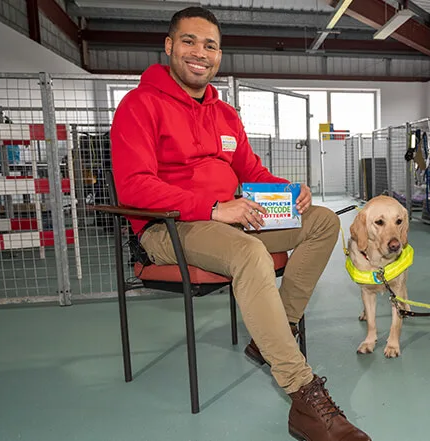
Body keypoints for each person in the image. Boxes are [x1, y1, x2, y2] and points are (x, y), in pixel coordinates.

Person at [110, 7, 371, 441]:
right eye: (190, 41)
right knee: (252, 253)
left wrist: (291, 190)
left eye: (210, 45)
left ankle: (275, 331)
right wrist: (213, 206)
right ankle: (303, 394)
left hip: (231, 216)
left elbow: (251, 171)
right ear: (169, 46)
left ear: (219, 55)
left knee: (323, 221)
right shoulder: (140, 104)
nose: (200, 52)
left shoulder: (224, 114)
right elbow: (133, 187)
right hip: (168, 227)